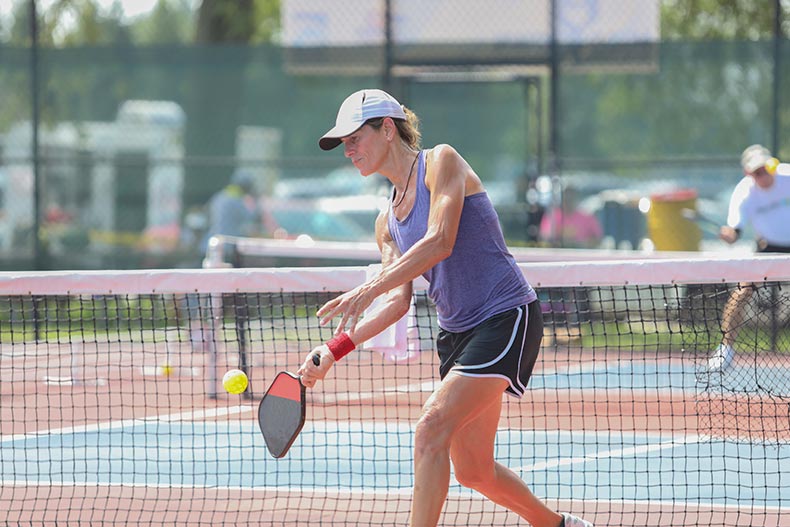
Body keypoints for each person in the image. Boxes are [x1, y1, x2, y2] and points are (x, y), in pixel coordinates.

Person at [296, 88, 593, 527]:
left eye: (355, 138)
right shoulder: (386, 223)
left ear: (388, 128)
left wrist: (367, 289)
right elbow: (398, 304)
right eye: (344, 144)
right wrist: (334, 348)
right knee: (474, 471)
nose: (348, 151)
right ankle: (559, 525)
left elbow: (440, 240)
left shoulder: (441, 162)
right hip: (455, 335)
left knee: (430, 427)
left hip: (504, 315)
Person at [705, 144, 790, 372]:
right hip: (768, 248)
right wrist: (730, 235)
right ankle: (725, 351)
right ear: (748, 173)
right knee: (742, 291)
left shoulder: (787, 176)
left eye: (765, 168)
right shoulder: (744, 193)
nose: (763, 175)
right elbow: (735, 231)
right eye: (757, 172)